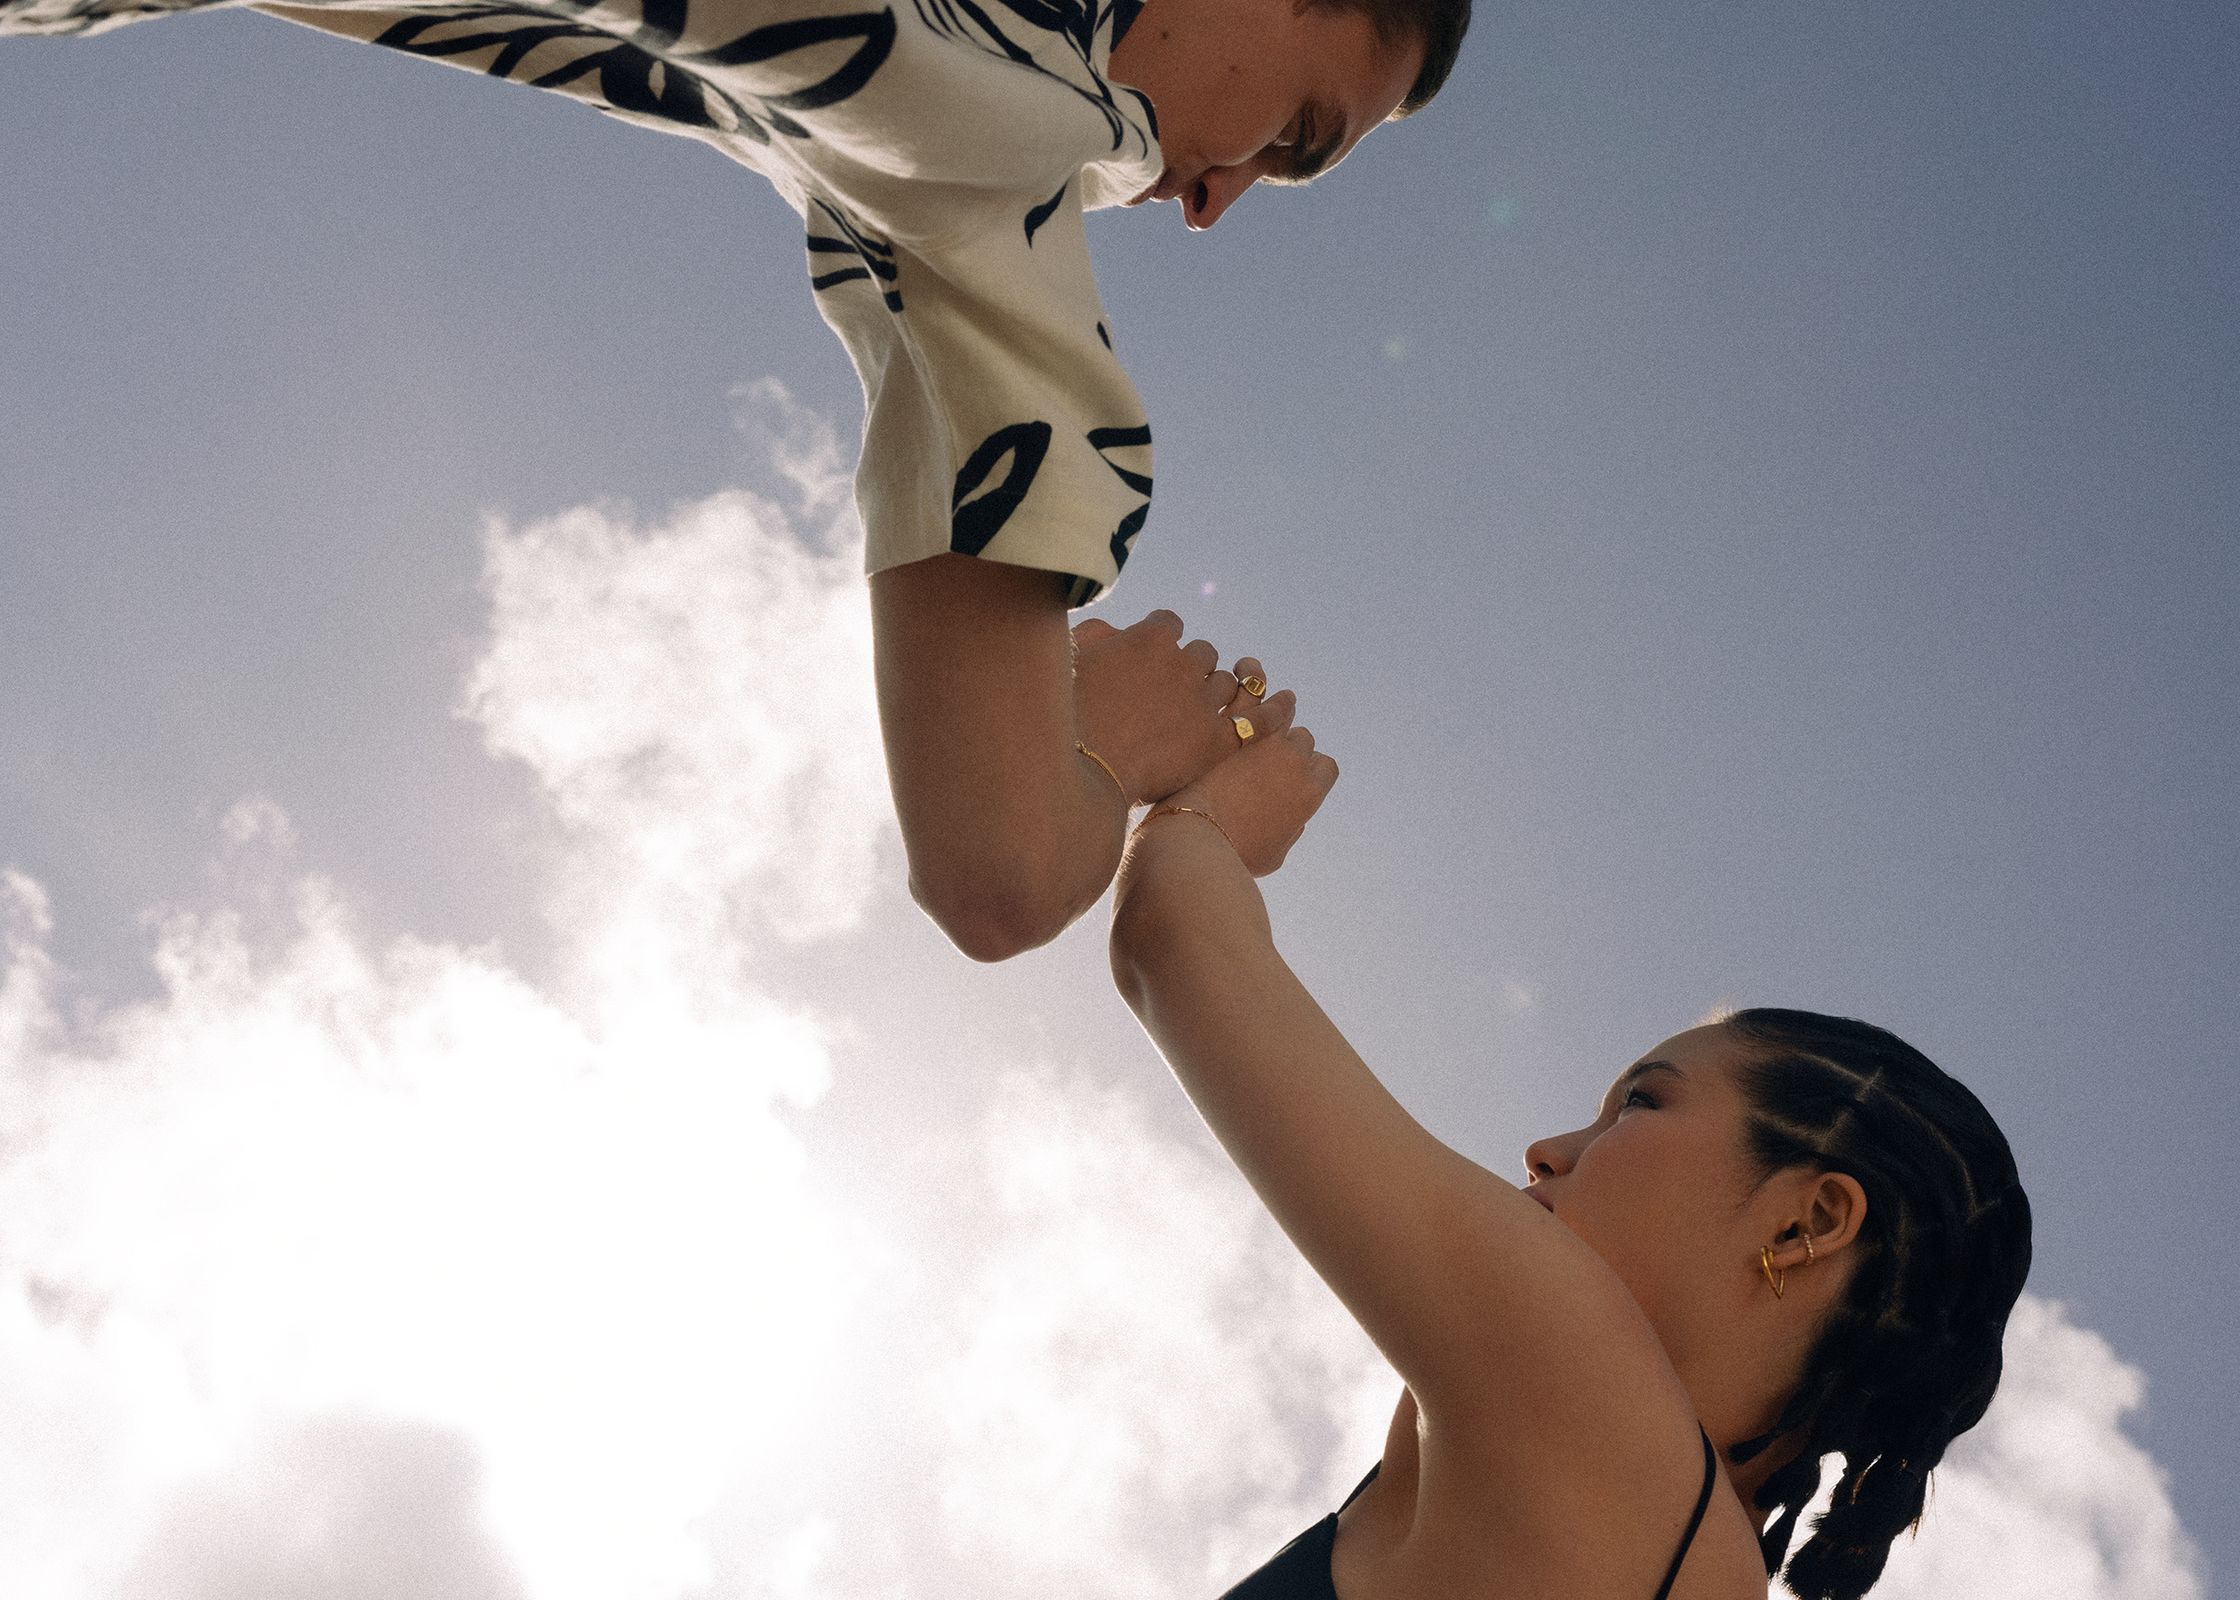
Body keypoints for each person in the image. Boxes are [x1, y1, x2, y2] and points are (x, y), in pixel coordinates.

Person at [1, 0, 1470, 960]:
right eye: (1295, 137)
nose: (1214, 198)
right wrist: (1137, 771)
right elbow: (1007, 863)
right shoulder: (1013, 117)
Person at [1108, 742, 2033, 1599]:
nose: (1547, 1153)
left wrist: (1205, 789)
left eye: (1640, 1103)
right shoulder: (1688, 1555)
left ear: (1806, 1223)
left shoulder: (1583, 1404)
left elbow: (1172, 936)